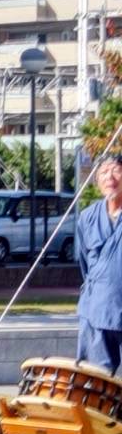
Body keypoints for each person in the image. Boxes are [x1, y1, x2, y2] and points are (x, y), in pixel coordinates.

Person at [76, 155, 122, 376]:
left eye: (116, 171)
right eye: (104, 172)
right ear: (96, 180)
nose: (110, 177)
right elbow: (84, 264)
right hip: (97, 310)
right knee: (96, 380)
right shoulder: (87, 217)